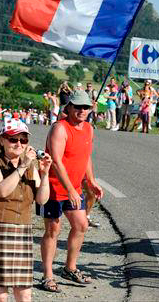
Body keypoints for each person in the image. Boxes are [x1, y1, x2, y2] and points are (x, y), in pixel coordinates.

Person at [39, 90, 104, 291]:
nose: (82, 110)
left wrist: (91, 181)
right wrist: (71, 190)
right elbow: (57, 162)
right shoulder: (60, 128)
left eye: (86, 107)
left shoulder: (89, 129)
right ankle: (48, 275)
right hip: (53, 188)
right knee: (53, 229)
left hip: (74, 188)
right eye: (78, 106)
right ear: (69, 107)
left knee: (81, 225)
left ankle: (70, 267)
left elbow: (86, 156)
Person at [0, 119, 52, 300]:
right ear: (2, 140)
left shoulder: (30, 166)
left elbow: (42, 200)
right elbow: (2, 190)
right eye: (13, 139)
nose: (19, 144)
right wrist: (23, 166)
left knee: (24, 294)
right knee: (1, 295)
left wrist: (45, 173)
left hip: (23, 229)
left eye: (23, 140)